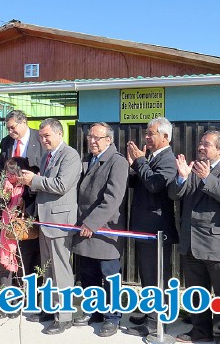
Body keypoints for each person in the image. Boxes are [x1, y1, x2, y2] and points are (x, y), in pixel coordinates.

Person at [168, 130, 220, 344]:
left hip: (218, 244)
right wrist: (182, 177)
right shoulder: (192, 168)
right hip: (192, 242)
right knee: (196, 293)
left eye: (207, 144)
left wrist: (207, 178)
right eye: (200, 143)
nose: (201, 147)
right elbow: (174, 195)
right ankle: (200, 330)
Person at [21, 118, 81, 335]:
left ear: (59, 134)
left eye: (47, 136)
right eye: (41, 136)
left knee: (61, 269)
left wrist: (34, 181)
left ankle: (65, 316)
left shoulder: (70, 155)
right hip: (45, 220)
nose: (43, 140)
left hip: (60, 221)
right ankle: (49, 307)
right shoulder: (47, 156)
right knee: (47, 268)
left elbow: (62, 185)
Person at [72, 122, 128, 337]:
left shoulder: (117, 162)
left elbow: (112, 198)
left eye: (97, 138)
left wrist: (91, 223)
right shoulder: (88, 160)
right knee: (88, 275)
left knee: (109, 276)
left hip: (104, 229)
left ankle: (112, 317)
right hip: (84, 228)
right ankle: (93, 311)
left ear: (108, 140)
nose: (92, 141)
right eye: (90, 137)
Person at [124, 117, 178, 337]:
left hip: (156, 228)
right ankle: (149, 311)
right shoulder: (149, 158)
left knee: (157, 275)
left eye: (151, 134)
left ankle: (159, 319)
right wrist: (134, 165)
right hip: (143, 226)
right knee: (146, 274)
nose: (146, 137)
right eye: (146, 133)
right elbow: (136, 182)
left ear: (165, 137)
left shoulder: (168, 159)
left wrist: (140, 163)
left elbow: (155, 185)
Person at [0, 157, 40, 320]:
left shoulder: (28, 186)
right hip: (7, 230)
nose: (10, 175)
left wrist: (23, 199)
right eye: (8, 172)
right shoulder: (4, 184)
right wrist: (5, 193)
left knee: (22, 266)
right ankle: (5, 302)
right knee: (5, 265)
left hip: (22, 232)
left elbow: (33, 202)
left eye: (13, 172)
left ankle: (19, 301)